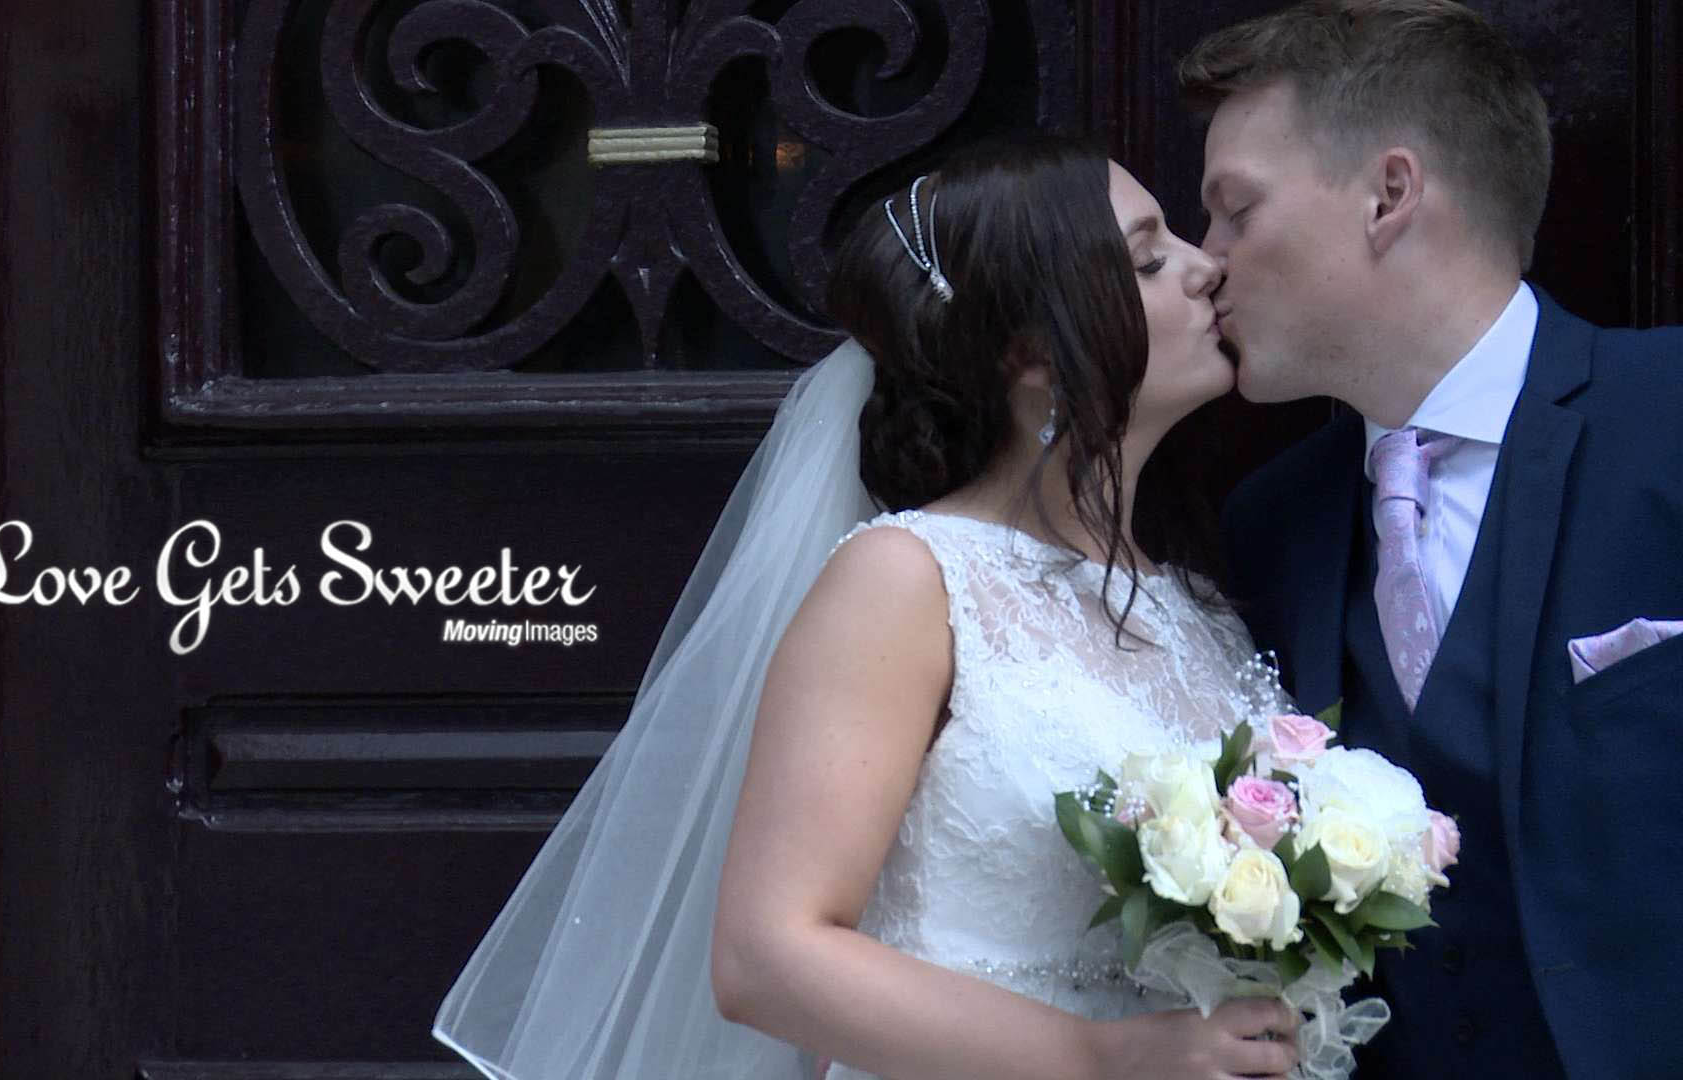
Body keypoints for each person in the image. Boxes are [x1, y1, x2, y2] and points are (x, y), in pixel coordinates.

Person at [434, 134, 1301, 1080]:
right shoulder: (908, 580)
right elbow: (767, 957)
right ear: (1032, 356)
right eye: (1148, 258)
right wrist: (1099, 1058)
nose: (1205, 265)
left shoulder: (1195, 603)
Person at [1186, 2, 1683, 1078]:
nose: (1207, 263)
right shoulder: (1273, 525)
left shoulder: (1670, 412)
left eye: (1235, 211)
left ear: (1390, 195)